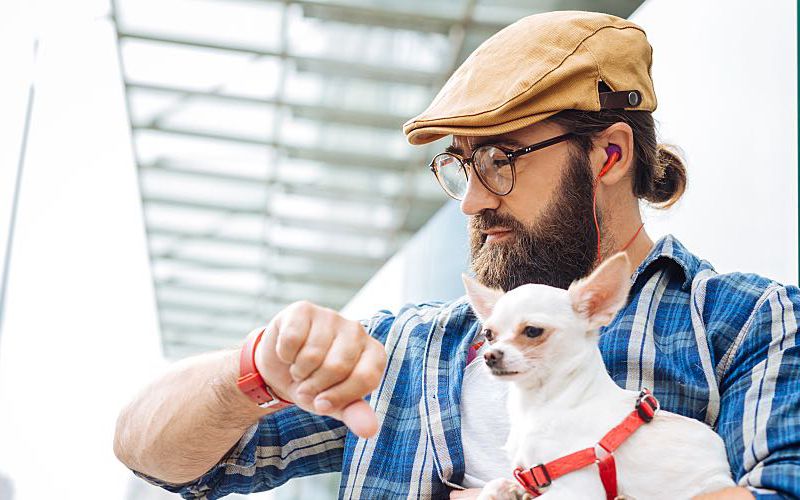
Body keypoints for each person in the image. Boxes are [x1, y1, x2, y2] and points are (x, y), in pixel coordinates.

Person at [113, 10, 799, 499]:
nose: (470, 201)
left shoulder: (749, 322)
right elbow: (162, 459)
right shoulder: (400, 347)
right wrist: (254, 368)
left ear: (610, 154)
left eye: (499, 160)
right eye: (459, 166)